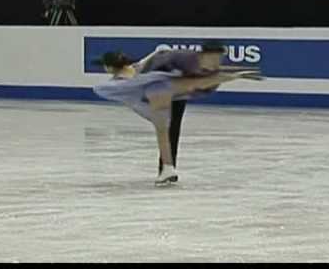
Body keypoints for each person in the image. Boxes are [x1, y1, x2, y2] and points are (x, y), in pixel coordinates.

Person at [93, 46, 262, 185]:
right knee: (172, 131)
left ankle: (167, 169)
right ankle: (167, 169)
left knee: (168, 131)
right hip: (175, 94)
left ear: (109, 67)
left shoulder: (121, 82)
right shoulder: (137, 68)